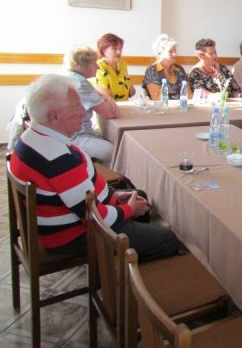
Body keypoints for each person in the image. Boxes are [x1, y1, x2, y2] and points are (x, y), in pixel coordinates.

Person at [9, 74, 179, 261]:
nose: (84, 112)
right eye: (77, 107)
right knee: (168, 239)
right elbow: (96, 216)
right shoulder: (58, 159)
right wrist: (129, 210)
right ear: (55, 115)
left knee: (139, 195)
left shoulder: (31, 137)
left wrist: (113, 195)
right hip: (75, 235)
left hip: (66, 218)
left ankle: (131, 251)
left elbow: (78, 194)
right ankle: (122, 271)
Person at [63, 46, 119, 164]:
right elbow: (109, 113)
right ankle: (101, 174)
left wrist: (108, 99)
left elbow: (100, 95)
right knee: (119, 151)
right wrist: (110, 101)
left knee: (114, 139)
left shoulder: (70, 76)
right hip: (75, 137)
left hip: (68, 133)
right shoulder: (80, 82)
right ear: (84, 65)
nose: (98, 67)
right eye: (94, 64)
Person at [142, 34, 190, 100]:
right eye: (170, 51)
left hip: (182, 105)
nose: (175, 54)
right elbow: (157, 99)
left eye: (175, 51)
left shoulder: (179, 69)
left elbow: (189, 95)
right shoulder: (152, 70)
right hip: (163, 106)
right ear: (160, 53)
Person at [94, 33, 136, 101]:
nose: (119, 52)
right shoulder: (99, 67)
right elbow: (106, 100)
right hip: (110, 106)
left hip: (124, 105)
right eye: (114, 49)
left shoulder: (121, 64)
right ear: (103, 50)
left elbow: (132, 92)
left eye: (120, 49)